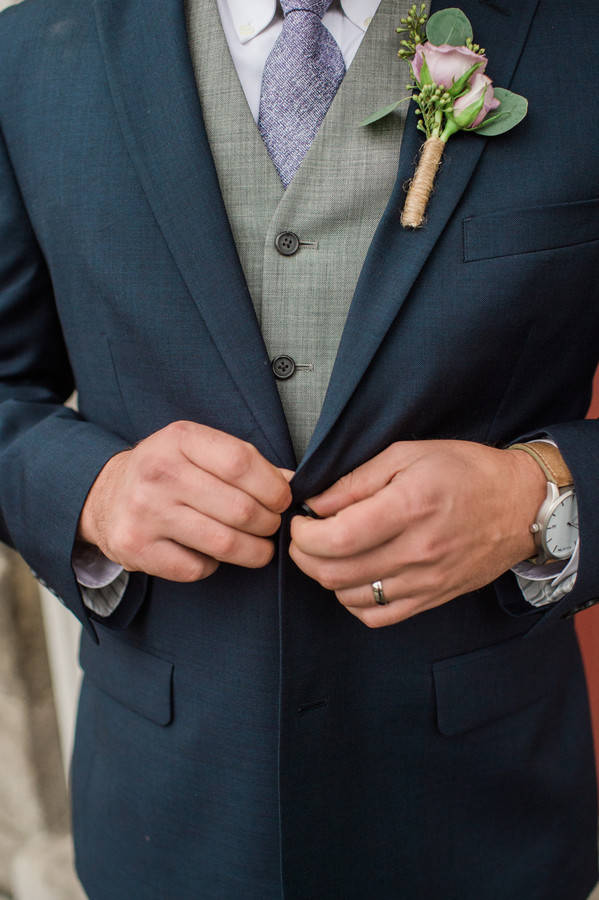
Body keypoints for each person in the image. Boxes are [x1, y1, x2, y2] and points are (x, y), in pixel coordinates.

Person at [0, 0, 598, 896]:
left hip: (484, 814)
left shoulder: (577, 36)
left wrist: (539, 500)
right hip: (168, 817)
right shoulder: (32, 53)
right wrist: (89, 492)